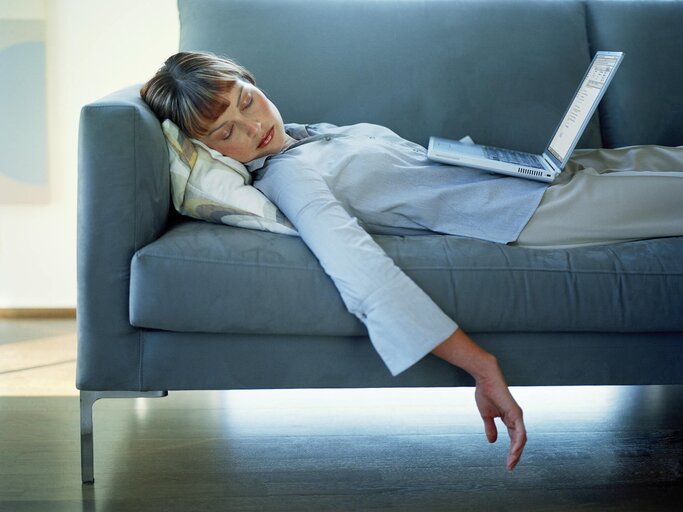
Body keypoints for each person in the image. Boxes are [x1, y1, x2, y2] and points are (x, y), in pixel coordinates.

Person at [140, 51, 683, 472]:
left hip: (524, 178)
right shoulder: (291, 178)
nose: (252, 125)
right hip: (533, 213)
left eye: (246, 100)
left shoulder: (303, 138)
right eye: (224, 133)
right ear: (208, 152)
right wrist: (479, 365)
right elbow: (360, 273)